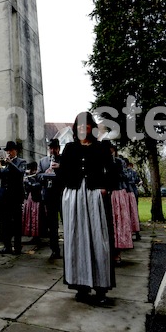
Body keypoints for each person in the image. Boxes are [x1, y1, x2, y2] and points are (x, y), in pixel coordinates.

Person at [58, 112, 115, 305]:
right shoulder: (70, 148)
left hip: (94, 195)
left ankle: (101, 289)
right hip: (73, 197)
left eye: (86, 125)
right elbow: (62, 173)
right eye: (79, 125)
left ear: (92, 127)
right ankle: (81, 286)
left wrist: (105, 188)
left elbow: (113, 172)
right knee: (76, 239)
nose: (82, 128)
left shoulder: (101, 148)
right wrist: (66, 192)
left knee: (98, 239)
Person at [0, 140, 26, 255]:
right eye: (7, 151)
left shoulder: (21, 162)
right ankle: (7, 246)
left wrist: (10, 163)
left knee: (17, 223)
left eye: (11, 150)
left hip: (16, 196)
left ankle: (17, 247)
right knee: (4, 223)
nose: (9, 152)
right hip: (4, 196)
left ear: (15, 151)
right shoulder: (3, 163)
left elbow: (20, 174)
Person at [107, 143, 133, 263]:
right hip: (105, 194)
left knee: (118, 223)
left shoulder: (118, 162)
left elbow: (125, 176)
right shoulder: (100, 161)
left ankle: (117, 253)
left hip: (117, 193)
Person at [37, 138, 62, 259]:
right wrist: (45, 174)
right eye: (51, 148)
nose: (53, 151)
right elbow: (38, 175)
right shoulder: (43, 161)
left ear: (59, 149)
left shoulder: (64, 160)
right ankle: (54, 249)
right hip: (49, 195)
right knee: (52, 225)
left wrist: (59, 168)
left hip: (62, 195)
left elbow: (70, 175)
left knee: (67, 222)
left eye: (55, 148)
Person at [22, 161, 43, 243]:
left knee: (35, 218)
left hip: (36, 199)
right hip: (30, 198)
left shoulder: (38, 175)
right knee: (30, 217)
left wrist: (30, 183)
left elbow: (39, 185)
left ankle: (36, 236)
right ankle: (33, 235)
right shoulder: (29, 176)